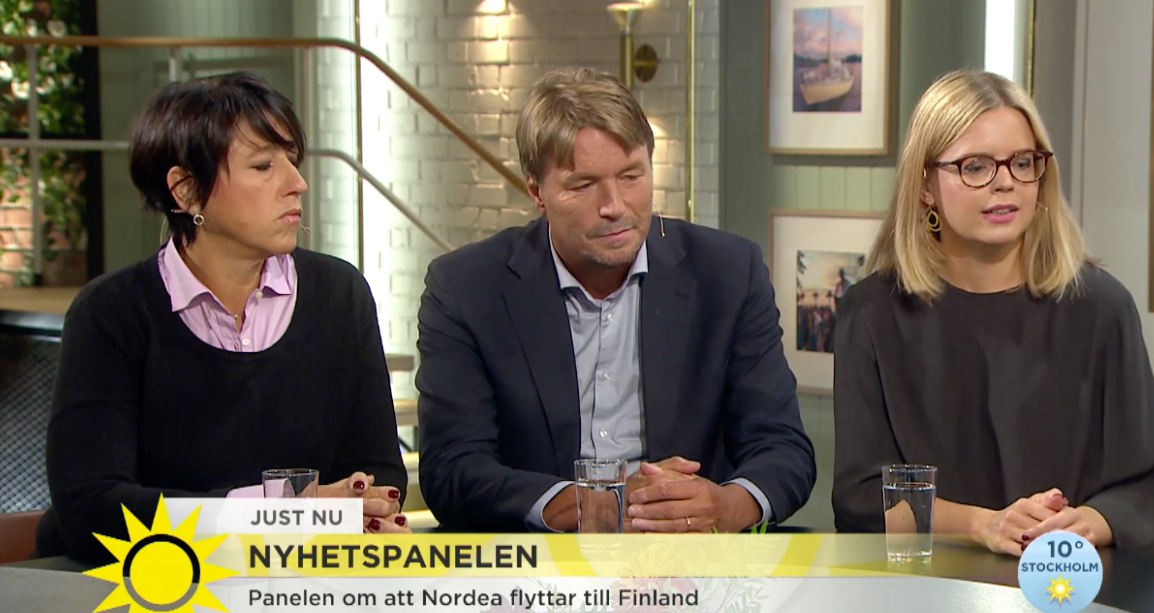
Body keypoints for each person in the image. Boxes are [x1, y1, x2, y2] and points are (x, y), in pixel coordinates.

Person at [416, 67, 815, 533]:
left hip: (692, 558)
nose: (614, 206)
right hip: (539, 562)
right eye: (583, 185)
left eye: (631, 176)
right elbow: (452, 469)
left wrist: (727, 506)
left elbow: (784, 448)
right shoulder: (466, 288)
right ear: (536, 191)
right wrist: (589, 505)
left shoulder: (728, 272)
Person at [37, 72, 409, 562]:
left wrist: (357, 508)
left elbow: (378, 473)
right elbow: (92, 508)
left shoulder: (340, 294)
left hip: (293, 581)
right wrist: (281, 514)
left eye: (292, 161)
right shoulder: (110, 313)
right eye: (263, 166)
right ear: (187, 191)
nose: (297, 184)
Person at [832, 68, 1154, 555]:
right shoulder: (873, 313)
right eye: (975, 167)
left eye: (1022, 162)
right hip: (930, 583)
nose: (1005, 183)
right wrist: (983, 525)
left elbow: (1143, 486)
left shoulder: (1102, 308)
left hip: (1067, 582)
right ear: (924, 184)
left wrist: (1090, 522)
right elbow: (860, 501)